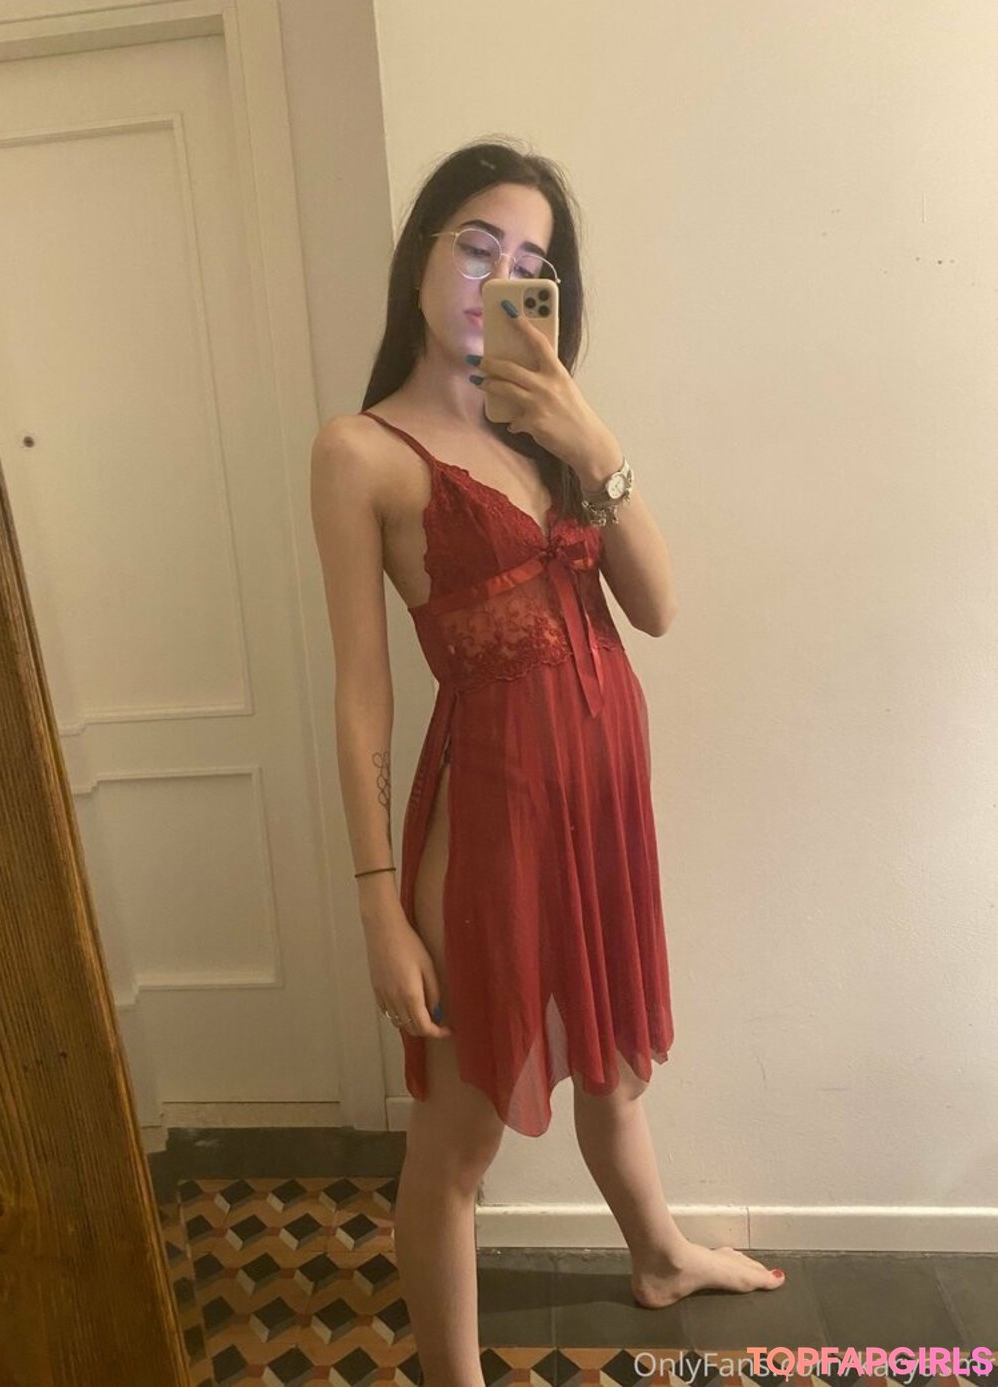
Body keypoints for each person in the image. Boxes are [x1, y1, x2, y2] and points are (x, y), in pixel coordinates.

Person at [310, 138, 784, 1387]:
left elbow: (658, 606)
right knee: (454, 1150)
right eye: (477, 246)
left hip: (603, 807)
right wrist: (377, 907)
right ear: (421, 255)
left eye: (530, 262)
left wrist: (587, 428)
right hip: (493, 825)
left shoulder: (550, 426)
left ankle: (659, 1253)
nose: (498, 277)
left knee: (614, 1070)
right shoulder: (359, 451)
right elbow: (362, 695)